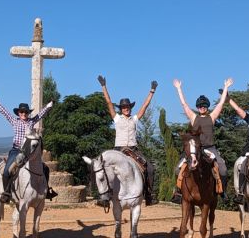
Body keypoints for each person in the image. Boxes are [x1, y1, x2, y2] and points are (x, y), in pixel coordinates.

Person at [98, 75, 158, 206]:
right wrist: (103, 86)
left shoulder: (134, 119)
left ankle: (149, 195)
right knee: (101, 168)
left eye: (128, 107)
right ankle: (104, 197)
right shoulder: (117, 119)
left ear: (130, 108)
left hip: (133, 150)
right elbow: (109, 103)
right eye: (124, 107)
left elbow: (145, 106)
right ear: (121, 109)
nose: (126, 108)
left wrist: (152, 91)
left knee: (150, 168)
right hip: (118, 150)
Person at [0, 91, 57, 203]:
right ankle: (7, 193)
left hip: (29, 151)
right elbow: (4, 112)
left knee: (45, 168)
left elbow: (42, 114)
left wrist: (50, 104)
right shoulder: (14, 121)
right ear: (18, 113)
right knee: (7, 171)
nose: (23, 113)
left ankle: (47, 190)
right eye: (21, 112)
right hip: (16, 150)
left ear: (28, 113)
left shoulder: (32, 121)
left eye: (25, 112)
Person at [172, 78, 233, 200]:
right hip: (195, 149)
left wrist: (226, 87)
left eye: (204, 106)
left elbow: (221, 104)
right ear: (198, 107)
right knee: (177, 169)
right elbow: (184, 104)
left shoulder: (212, 117)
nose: (202, 107)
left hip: (210, 149)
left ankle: (222, 191)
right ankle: (179, 192)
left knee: (223, 169)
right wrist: (179, 88)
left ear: (207, 107)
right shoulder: (193, 117)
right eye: (200, 106)